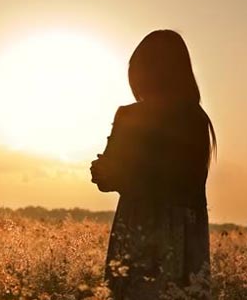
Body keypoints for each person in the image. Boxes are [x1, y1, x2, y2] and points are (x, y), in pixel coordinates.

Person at [90, 29, 216, 300]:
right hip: (183, 233)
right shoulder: (196, 118)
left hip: (140, 224)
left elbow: (119, 178)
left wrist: (108, 173)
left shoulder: (133, 115)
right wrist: (109, 173)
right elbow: (187, 182)